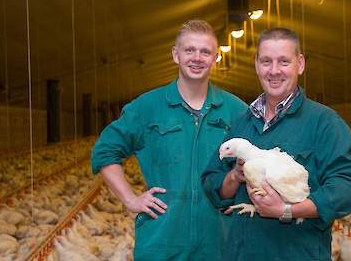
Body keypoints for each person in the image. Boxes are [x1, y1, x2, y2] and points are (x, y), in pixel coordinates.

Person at [91, 19, 247, 260]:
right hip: (162, 241)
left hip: (219, 242)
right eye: (189, 50)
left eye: (205, 52)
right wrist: (130, 199)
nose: (197, 57)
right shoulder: (146, 107)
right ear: (176, 54)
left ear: (216, 58)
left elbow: (258, 162)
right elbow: (105, 152)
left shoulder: (235, 110)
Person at [201, 27, 351, 260]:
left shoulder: (325, 124)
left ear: (300, 64)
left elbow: (345, 191)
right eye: (266, 61)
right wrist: (235, 176)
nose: (274, 71)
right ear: (257, 65)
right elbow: (212, 186)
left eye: (284, 61)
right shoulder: (240, 126)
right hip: (242, 254)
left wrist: (285, 211)